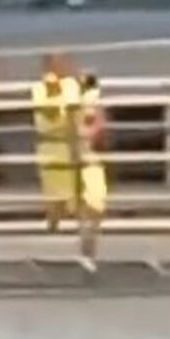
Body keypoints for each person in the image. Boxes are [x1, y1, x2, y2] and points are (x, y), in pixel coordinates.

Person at [31, 54, 80, 231]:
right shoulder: (39, 87)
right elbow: (49, 114)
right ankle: (53, 225)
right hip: (49, 143)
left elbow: (73, 114)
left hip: (69, 141)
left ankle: (77, 230)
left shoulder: (71, 85)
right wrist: (53, 88)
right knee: (52, 190)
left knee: (74, 189)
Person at [77, 70, 109, 254]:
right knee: (94, 200)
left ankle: (88, 236)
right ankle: (88, 236)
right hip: (88, 156)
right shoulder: (91, 104)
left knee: (91, 200)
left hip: (86, 155)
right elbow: (99, 128)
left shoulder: (86, 104)